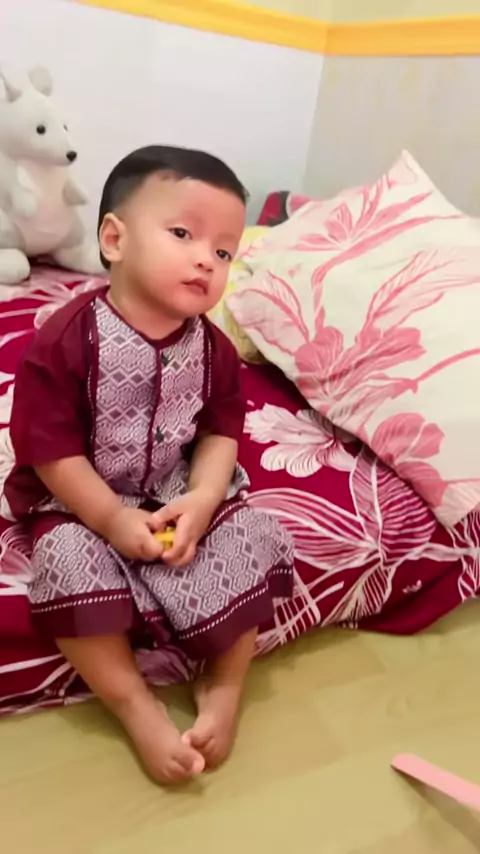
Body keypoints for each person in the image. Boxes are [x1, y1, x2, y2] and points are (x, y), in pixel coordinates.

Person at [5, 146, 294, 784]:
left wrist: (205, 498)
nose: (206, 259)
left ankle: (225, 684)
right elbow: (51, 453)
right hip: (83, 496)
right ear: (114, 240)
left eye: (224, 251)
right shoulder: (64, 341)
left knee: (253, 534)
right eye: (184, 234)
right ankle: (134, 704)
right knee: (65, 565)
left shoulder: (214, 348)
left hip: (171, 483)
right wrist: (110, 519)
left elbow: (220, 431)